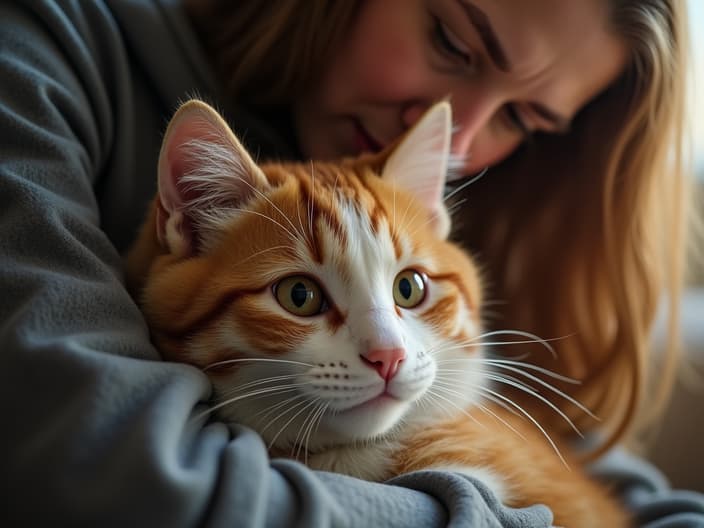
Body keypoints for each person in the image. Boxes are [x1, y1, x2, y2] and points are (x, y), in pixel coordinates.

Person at [0, 1, 701, 526]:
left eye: (524, 118)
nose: (460, 134)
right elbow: (107, 468)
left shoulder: (436, 199)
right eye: (453, 42)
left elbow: (595, 478)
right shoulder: (49, 50)